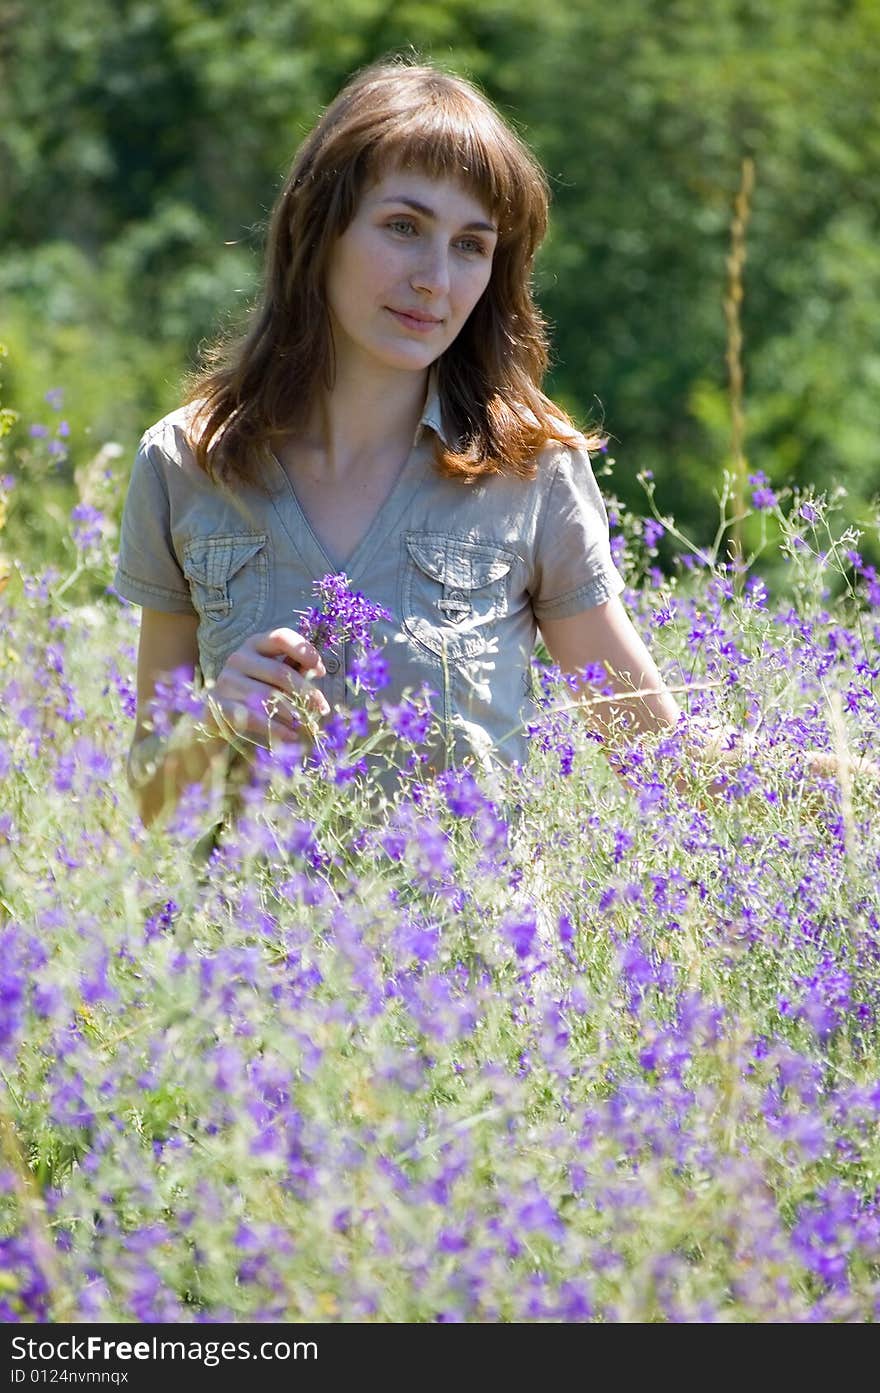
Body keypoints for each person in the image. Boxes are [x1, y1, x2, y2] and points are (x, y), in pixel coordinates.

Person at [114, 57, 690, 830]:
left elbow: (662, 756)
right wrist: (216, 718)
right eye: (403, 227)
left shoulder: (531, 470)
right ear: (317, 229)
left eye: (471, 246)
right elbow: (151, 804)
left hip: (469, 949)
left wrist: (846, 783)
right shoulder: (187, 462)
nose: (436, 280)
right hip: (256, 949)